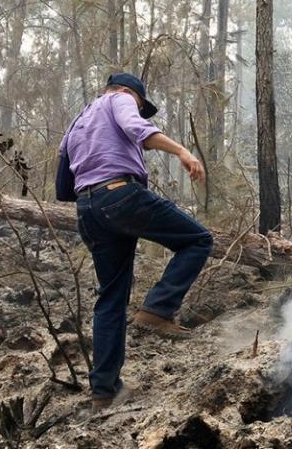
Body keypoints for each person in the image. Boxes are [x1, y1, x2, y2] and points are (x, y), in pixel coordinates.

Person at [59, 73, 213, 412]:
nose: (139, 111)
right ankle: (158, 310)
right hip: (120, 195)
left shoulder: (79, 119)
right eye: (141, 106)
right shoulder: (120, 99)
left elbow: (62, 180)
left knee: (110, 299)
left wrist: (93, 199)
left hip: (87, 209)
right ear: (132, 94)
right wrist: (183, 151)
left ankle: (103, 392)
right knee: (198, 240)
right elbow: (137, 130)